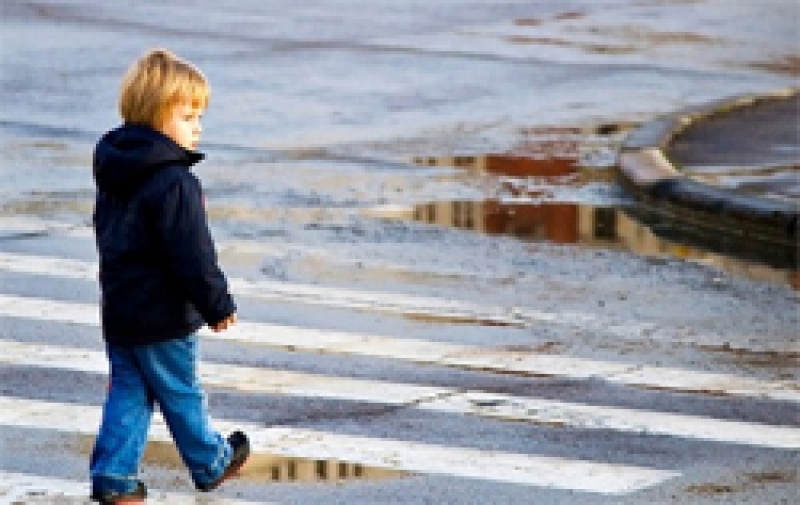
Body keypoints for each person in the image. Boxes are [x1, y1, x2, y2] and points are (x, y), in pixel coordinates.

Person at [89, 48, 250, 504]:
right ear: (157, 117)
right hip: (163, 317)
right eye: (188, 115)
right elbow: (193, 254)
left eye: (199, 116)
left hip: (121, 309)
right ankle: (211, 461)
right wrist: (217, 304)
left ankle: (114, 477)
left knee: (129, 392)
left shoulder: (115, 170)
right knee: (181, 392)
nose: (197, 126)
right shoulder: (175, 182)